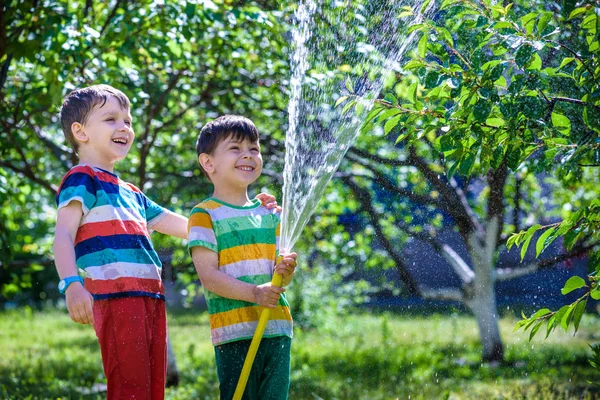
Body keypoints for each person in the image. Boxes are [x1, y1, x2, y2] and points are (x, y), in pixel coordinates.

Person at [53, 85, 278, 399]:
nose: (124, 128)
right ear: (80, 131)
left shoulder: (131, 192)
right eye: (111, 119)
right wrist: (72, 284)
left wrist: (243, 215)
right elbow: (62, 234)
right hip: (117, 297)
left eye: (128, 121)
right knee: (130, 385)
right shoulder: (82, 178)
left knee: (152, 385)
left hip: (150, 298)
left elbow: (194, 228)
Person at [188, 115, 297, 400]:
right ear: (208, 162)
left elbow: (278, 273)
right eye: (235, 148)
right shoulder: (204, 215)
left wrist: (286, 269)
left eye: (254, 148)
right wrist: (253, 293)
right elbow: (209, 277)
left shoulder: (270, 213)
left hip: (277, 328)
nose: (248, 154)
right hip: (234, 332)